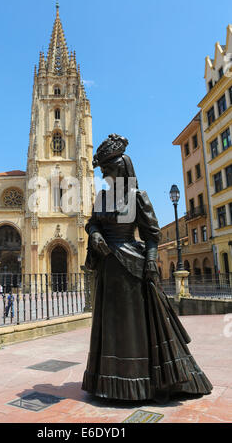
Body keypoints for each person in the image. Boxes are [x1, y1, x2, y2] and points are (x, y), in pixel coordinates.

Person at [81, 134, 212, 403]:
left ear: (122, 169)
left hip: (130, 268)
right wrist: (94, 233)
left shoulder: (137, 197)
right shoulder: (102, 197)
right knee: (111, 326)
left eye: (109, 169)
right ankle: (108, 382)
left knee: (132, 328)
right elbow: (93, 222)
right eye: (104, 170)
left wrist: (151, 261)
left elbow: (152, 234)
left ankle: (137, 382)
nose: (105, 174)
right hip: (108, 269)